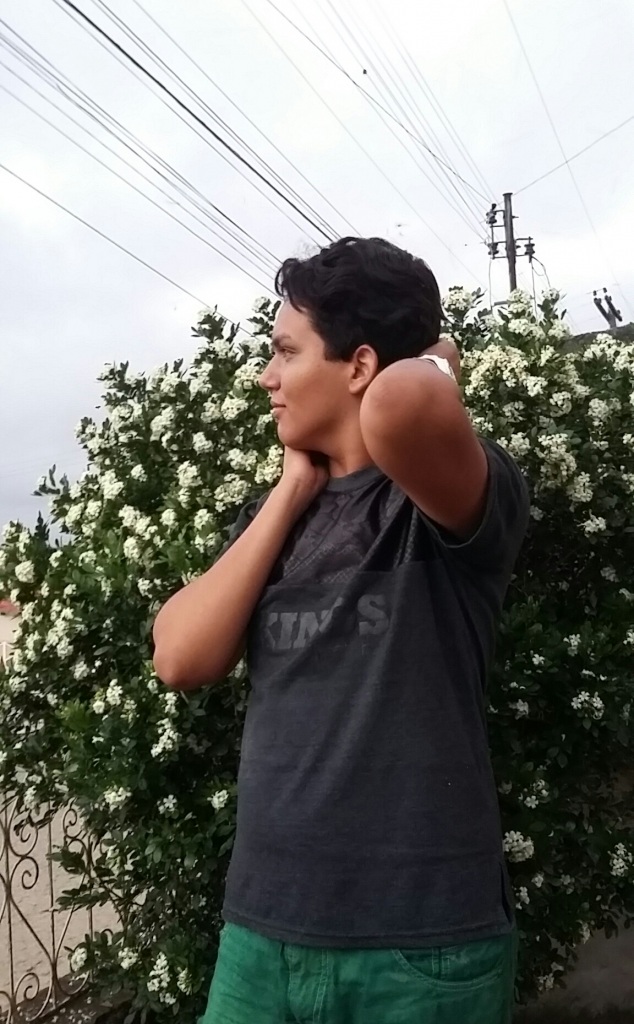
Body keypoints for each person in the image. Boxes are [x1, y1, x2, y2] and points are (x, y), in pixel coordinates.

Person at [153, 237, 530, 1024]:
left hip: (422, 950)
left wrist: (439, 356)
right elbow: (180, 657)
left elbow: (401, 404)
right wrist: (289, 493)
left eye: (286, 351)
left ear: (359, 366)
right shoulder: (269, 519)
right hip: (262, 934)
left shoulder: (447, 498)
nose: (266, 376)